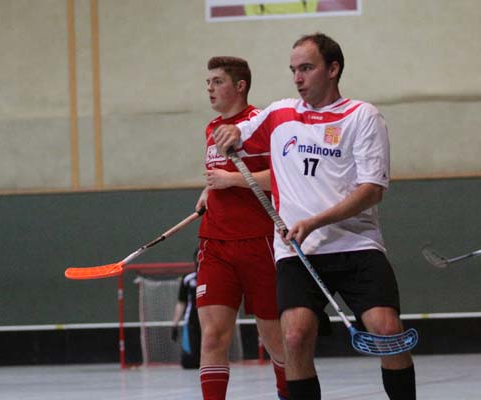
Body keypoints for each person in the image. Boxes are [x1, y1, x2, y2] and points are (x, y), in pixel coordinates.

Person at [213, 32, 415, 400]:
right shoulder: (280, 113)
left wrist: (315, 222)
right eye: (293, 70)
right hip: (297, 251)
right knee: (295, 336)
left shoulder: (362, 116)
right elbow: (238, 130)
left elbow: (372, 190)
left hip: (356, 244)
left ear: (333, 69)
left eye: (306, 68)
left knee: (387, 330)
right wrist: (229, 132)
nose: (297, 78)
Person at [195, 56, 288, 400]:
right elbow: (219, 176)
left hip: (260, 243)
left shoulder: (261, 124)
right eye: (208, 82)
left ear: (240, 86)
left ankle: (288, 390)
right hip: (216, 243)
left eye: (217, 81)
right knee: (212, 337)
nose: (210, 88)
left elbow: (283, 178)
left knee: (275, 339)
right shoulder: (211, 128)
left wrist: (231, 180)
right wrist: (208, 191)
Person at [171, 249, 201, 369]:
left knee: (209, 357)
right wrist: (175, 324)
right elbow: (181, 302)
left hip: (210, 321)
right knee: (189, 362)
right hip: (192, 322)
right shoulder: (188, 279)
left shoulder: (215, 278)